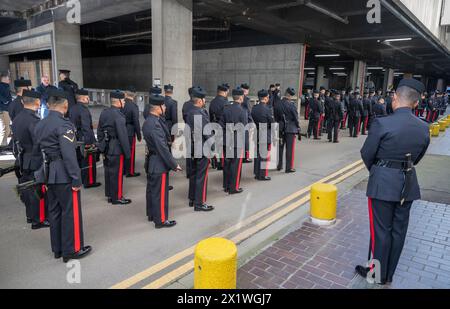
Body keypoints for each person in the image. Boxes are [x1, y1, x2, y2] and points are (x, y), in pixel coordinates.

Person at [356, 78, 430, 285]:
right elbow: (418, 157)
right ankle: (388, 274)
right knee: (398, 232)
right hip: (408, 184)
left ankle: (377, 274)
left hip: (382, 183)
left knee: (380, 231)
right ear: (416, 103)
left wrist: (380, 170)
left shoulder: (382, 123)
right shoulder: (423, 127)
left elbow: (367, 153)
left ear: (395, 98)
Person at [35, 89, 91, 263]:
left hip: (49, 172)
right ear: (65, 106)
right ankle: (71, 249)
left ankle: (57, 249)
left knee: (54, 211)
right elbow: (69, 155)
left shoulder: (40, 124)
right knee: (70, 212)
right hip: (64, 174)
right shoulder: (64, 125)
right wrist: (76, 178)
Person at [11, 90, 50, 229]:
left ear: (23, 101)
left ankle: (30, 215)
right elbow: (38, 143)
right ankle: (38, 219)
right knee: (37, 190)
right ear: (38, 102)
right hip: (34, 158)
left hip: (22, 158)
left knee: (27, 189)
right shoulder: (34, 120)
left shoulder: (17, 118)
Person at [143, 94, 182, 228]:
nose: (165, 107)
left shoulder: (150, 120)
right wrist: (174, 164)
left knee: (153, 191)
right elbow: (162, 148)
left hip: (152, 161)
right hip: (158, 163)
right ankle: (161, 220)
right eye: (164, 105)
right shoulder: (155, 124)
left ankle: (152, 214)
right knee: (160, 193)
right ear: (158, 108)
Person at [97, 90, 132, 205]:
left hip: (107, 146)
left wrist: (102, 145)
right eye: (123, 100)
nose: (124, 102)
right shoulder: (119, 116)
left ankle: (110, 195)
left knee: (108, 173)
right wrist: (128, 153)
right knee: (117, 174)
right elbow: (123, 136)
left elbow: (99, 130)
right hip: (116, 148)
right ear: (118, 102)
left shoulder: (104, 112)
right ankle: (117, 197)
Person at [186, 86, 214, 211]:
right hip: (202, 148)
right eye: (204, 99)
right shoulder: (199, 113)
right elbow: (206, 132)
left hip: (193, 147)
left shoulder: (190, 111)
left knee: (194, 174)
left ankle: (192, 199)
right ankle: (199, 203)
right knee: (201, 176)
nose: (204, 102)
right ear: (200, 101)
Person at [69, 88, 101, 188]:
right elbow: (86, 127)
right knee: (88, 160)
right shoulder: (84, 110)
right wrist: (89, 143)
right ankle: (89, 181)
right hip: (84, 137)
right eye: (87, 97)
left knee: (79, 159)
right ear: (82, 98)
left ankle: (82, 179)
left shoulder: (72, 108)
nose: (88, 99)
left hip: (75, 136)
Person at [220, 87, 248, 194]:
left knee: (227, 164)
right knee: (235, 165)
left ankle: (226, 186)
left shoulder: (226, 108)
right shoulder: (243, 111)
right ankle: (234, 187)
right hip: (237, 142)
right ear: (241, 98)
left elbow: (220, 125)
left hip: (227, 141)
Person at [274, 87, 301, 173]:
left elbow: (276, 117)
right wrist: (298, 127)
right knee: (289, 149)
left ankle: (279, 165)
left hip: (281, 128)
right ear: (290, 96)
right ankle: (288, 168)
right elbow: (296, 118)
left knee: (280, 147)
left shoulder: (278, 103)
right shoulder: (292, 105)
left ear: (285, 93)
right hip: (290, 129)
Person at [251, 89, 274, 181]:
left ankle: (257, 173)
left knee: (257, 155)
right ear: (265, 98)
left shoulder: (254, 108)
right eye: (268, 97)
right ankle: (263, 175)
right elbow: (272, 122)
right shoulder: (267, 109)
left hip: (256, 133)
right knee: (264, 155)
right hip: (265, 133)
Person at [209, 84, 229, 171]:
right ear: (224, 92)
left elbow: (210, 114)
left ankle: (215, 162)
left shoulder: (212, 101)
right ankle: (221, 163)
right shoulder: (225, 102)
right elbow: (227, 116)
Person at [122, 88, 142, 178]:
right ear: (134, 95)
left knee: (122, 150)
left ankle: (122, 169)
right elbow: (136, 121)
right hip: (130, 130)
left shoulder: (121, 103)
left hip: (121, 129)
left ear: (126, 94)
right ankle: (129, 171)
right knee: (131, 151)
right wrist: (139, 134)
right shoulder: (134, 106)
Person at [241, 83, 253, 163]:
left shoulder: (239, 97)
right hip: (245, 122)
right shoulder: (246, 99)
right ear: (246, 90)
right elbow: (249, 112)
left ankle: (241, 155)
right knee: (246, 140)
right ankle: (246, 157)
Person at [0, 73, 12, 147]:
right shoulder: (1, 86)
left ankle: (4, 144)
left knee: (7, 128)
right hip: (3, 109)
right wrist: (5, 101)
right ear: (4, 79)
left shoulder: (5, 86)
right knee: (5, 128)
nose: (9, 80)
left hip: (5, 109)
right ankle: (2, 145)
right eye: (8, 78)